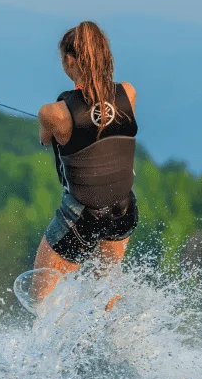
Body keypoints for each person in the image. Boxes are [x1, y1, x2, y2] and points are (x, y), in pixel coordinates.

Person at [33, 21, 139, 304]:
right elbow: (105, 121)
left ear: (69, 61)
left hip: (81, 214)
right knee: (107, 291)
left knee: (42, 302)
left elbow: (45, 140)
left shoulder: (54, 113)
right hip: (123, 209)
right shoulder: (128, 93)